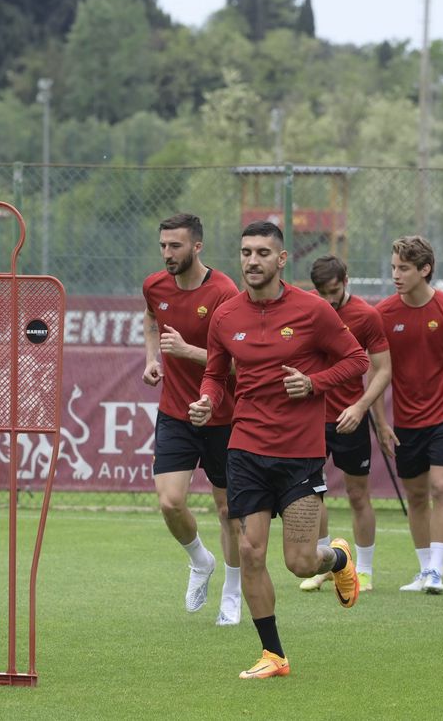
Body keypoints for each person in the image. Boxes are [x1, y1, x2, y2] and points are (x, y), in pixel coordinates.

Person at [189, 220, 368, 679]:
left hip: (300, 454)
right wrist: (208, 399)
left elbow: (357, 360)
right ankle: (274, 655)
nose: (252, 261)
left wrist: (313, 383)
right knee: (250, 552)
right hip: (245, 448)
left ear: (281, 259)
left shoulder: (313, 312)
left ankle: (339, 559)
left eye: (263, 253)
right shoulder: (227, 316)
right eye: (246, 252)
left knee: (300, 562)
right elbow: (214, 370)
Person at [141, 213, 242, 625]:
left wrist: (187, 352)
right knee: (169, 502)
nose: (167, 253)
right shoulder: (154, 285)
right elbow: (151, 318)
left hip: (224, 415)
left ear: (197, 247)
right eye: (163, 245)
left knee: (228, 510)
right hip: (176, 412)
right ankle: (200, 560)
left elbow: (238, 362)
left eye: (176, 246)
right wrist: (152, 357)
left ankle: (233, 594)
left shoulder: (224, 291)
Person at [371, 235, 443, 594]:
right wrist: (380, 422)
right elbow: (374, 372)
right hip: (405, 423)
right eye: (393, 267)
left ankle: (437, 571)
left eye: (404, 268)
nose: (396, 274)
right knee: (417, 495)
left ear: (425, 270)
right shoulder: (383, 314)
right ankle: (424, 571)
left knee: (441, 487)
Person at [298, 255, 391, 593]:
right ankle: (324, 565)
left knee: (357, 495)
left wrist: (361, 407)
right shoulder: (304, 308)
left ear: (346, 280)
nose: (328, 299)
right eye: (321, 292)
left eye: (334, 291)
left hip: (350, 419)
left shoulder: (367, 316)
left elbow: (382, 370)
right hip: (309, 420)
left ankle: (363, 570)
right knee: (312, 495)